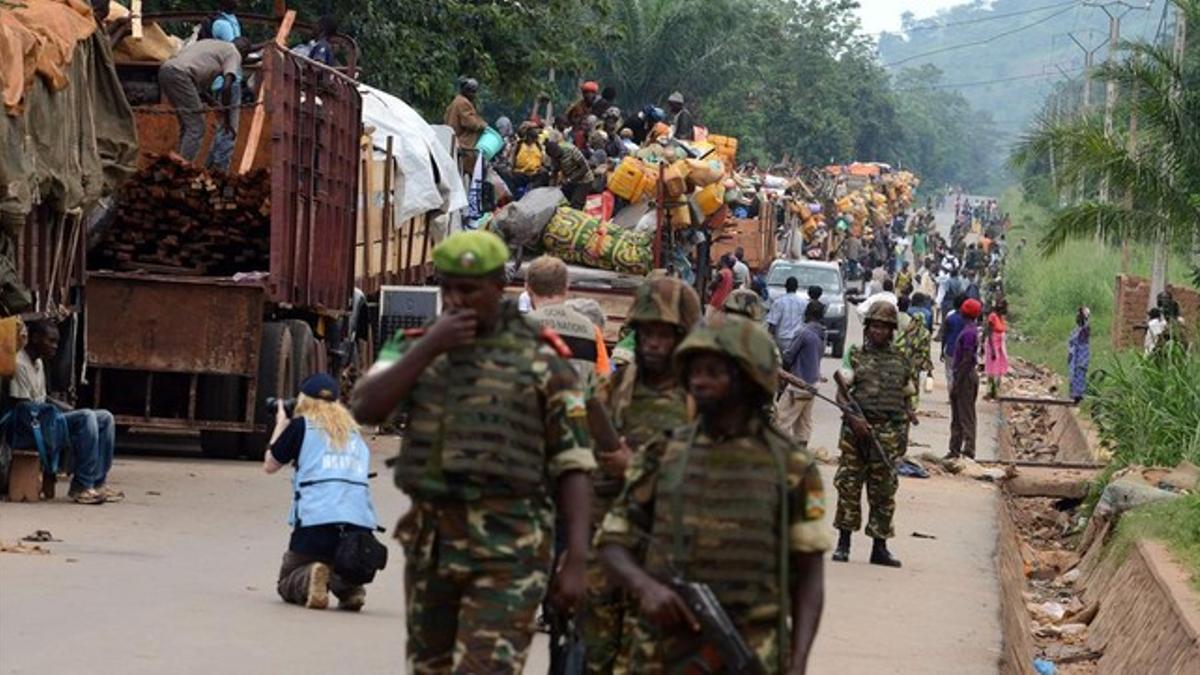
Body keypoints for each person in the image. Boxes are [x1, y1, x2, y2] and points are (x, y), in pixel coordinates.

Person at [350, 230, 593, 673]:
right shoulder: (411, 346)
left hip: (511, 552)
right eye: (447, 288)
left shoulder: (542, 359)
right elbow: (366, 407)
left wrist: (577, 558)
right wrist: (429, 347)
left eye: (469, 289)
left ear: (500, 289)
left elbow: (574, 464)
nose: (455, 300)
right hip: (434, 548)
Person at [597, 314, 828, 674]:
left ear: (747, 379)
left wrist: (798, 662)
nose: (699, 381)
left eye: (713, 372)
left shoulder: (792, 468)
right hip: (662, 654)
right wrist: (646, 588)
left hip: (752, 654)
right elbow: (612, 541)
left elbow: (810, 575)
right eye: (694, 372)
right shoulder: (665, 455)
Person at [583, 277, 700, 675]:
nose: (652, 342)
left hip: (667, 562)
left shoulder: (702, 404)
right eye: (645, 331)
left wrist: (632, 467)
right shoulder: (612, 392)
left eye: (663, 333)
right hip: (605, 556)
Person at [264, 374, 379, 611]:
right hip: (359, 531)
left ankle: (309, 577)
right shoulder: (355, 434)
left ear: (303, 400)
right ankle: (351, 588)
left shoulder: (302, 426)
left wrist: (281, 425)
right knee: (343, 564)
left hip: (315, 525)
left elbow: (270, 465)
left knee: (287, 581)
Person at [831, 302, 912, 568]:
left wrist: (901, 442)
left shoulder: (901, 361)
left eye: (883, 327)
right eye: (874, 326)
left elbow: (907, 403)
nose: (877, 331)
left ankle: (880, 547)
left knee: (883, 492)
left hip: (887, 435)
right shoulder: (855, 356)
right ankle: (844, 544)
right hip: (856, 433)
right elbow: (841, 393)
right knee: (849, 487)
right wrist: (853, 418)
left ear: (891, 331)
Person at [9, 321, 120, 505]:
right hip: (30, 427)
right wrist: (58, 414)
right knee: (86, 417)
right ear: (35, 338)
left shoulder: (38, 363)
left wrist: (67, 410)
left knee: (105, 418)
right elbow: (23, 408)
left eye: (56, 342)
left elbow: (43, 398)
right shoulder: (19, 363)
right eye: (50, 341)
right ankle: (81, 486)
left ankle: (97, 482)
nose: (55, 347)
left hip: (45, 419)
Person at [158, 37, 251, 170]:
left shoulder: (211, 44)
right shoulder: (233, 53)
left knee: (187, 125)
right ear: (244, 53)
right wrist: (227, 117)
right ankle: (181, 169)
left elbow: (198, 89)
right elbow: (227, 86)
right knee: (196, 127)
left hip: (166, 70)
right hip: (181, 75)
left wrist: (213, 104)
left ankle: (176, 165)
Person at [524, 255, 610, 386]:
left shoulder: (519, 326)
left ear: (527, 288)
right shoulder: (591, 330)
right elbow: (602, 382)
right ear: (566, 288)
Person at [779, 301, 826, 447]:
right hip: (812, 385)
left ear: (807, 314)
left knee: (781, 421)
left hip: (798, 385)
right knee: (803, 424)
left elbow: (789, 357)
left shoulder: (804, 333)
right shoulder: (822, 334)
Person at [947, 298, 982, 460]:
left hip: (965, 377)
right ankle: (954, 449)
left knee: (965, 415)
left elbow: (967, 359)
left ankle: (968, 450)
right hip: (963, 375)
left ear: (963, 312)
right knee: (958, 414)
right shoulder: (970, 330)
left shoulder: (968, 333)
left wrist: (957, 383)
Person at [444, 77, 487, 175]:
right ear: (465, 91)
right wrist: (483, 125)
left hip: (454, 143)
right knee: (469, 173)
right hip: (464, 144)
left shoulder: (455, 102)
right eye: (471, 92)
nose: (474, 95)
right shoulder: (464, 103)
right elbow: (471, 123)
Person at [895, 295, 933, 406]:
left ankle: (904, 401)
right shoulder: (925, 333)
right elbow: (927, 349)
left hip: (906, 358)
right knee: (915, 381)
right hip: (917, 361)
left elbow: (901, 341)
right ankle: (913, 404)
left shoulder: (909, 330)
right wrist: (928, 365)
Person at [543, 140, 594, 210]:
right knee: (563, 200)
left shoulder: (571, 150)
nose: (556, 158)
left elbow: (585, 168)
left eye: (557, 156)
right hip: (570, 180)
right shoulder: (554, 157)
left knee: (575, 204)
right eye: (554, 157)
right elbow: (554, 172)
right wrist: (551, 188)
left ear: (558, 149)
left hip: (584, 180)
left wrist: (570, 179)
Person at [766, 276, 806, 352]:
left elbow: (772, 323)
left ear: (785, 287)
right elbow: (806, 321)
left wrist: (768, 339)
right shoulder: (803, 302)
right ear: (797, 287)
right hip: (797, 339)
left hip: (781, 339)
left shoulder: (778, 302)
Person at [511, 122, 545, 198]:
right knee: (513, 178)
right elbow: (512, 161)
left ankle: (532, 189)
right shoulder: (518, 145)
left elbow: (542, 160)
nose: (532, 140)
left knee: (544, 175)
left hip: (534, 174)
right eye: (531, 137)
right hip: (521, 174)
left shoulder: (538, 146)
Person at [983, 299, 1009, 399]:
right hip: (993, 344)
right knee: (992, 369)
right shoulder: (993, 316)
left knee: (999, 368)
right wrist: (993, 350)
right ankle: (990, 391)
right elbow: (989, 333)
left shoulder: (1001, 317)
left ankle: (996, 391)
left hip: (1000, 345)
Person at [1067, 307, 1091, 403]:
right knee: (1073, 375)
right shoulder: (1075, 330)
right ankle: (1073, 395)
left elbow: (1085, 327)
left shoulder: (1085, 330)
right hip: (1074, 356)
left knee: (1079, 374)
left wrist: (1083, 313)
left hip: (1081, 355)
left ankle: (1079, 396)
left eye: (1079, 316)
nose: (1077, 318)